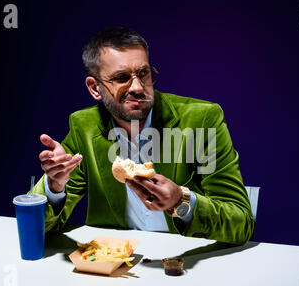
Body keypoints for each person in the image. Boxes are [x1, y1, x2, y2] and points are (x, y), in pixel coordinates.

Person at [32, 26, 254, 244]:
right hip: (116, 268)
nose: (137, 87)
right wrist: (54, 186)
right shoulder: (85, 127)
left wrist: (181, 200)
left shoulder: (201, 121)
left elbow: (241, 223)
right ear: (95, 88)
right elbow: (36, 227)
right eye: (121, 78)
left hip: (181, 266)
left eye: (143, 73)